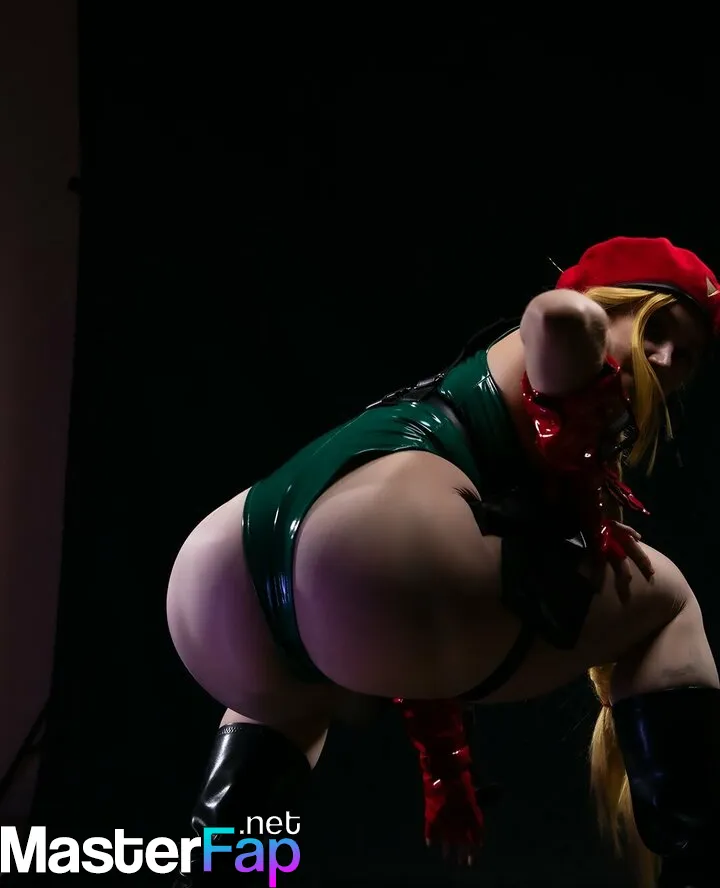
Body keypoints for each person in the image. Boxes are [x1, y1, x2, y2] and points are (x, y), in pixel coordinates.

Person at [166, 236, 720, 887]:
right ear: (605, 304)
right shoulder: (571, 345)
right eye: (654, 330)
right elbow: (556, 319)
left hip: (221, 577)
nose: (665, 359)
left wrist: (445, 770)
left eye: (686, 355)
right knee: (669, 601)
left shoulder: (474, 410)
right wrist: (579, 326)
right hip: (362, 553)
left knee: (277, 721)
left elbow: (395, 614)